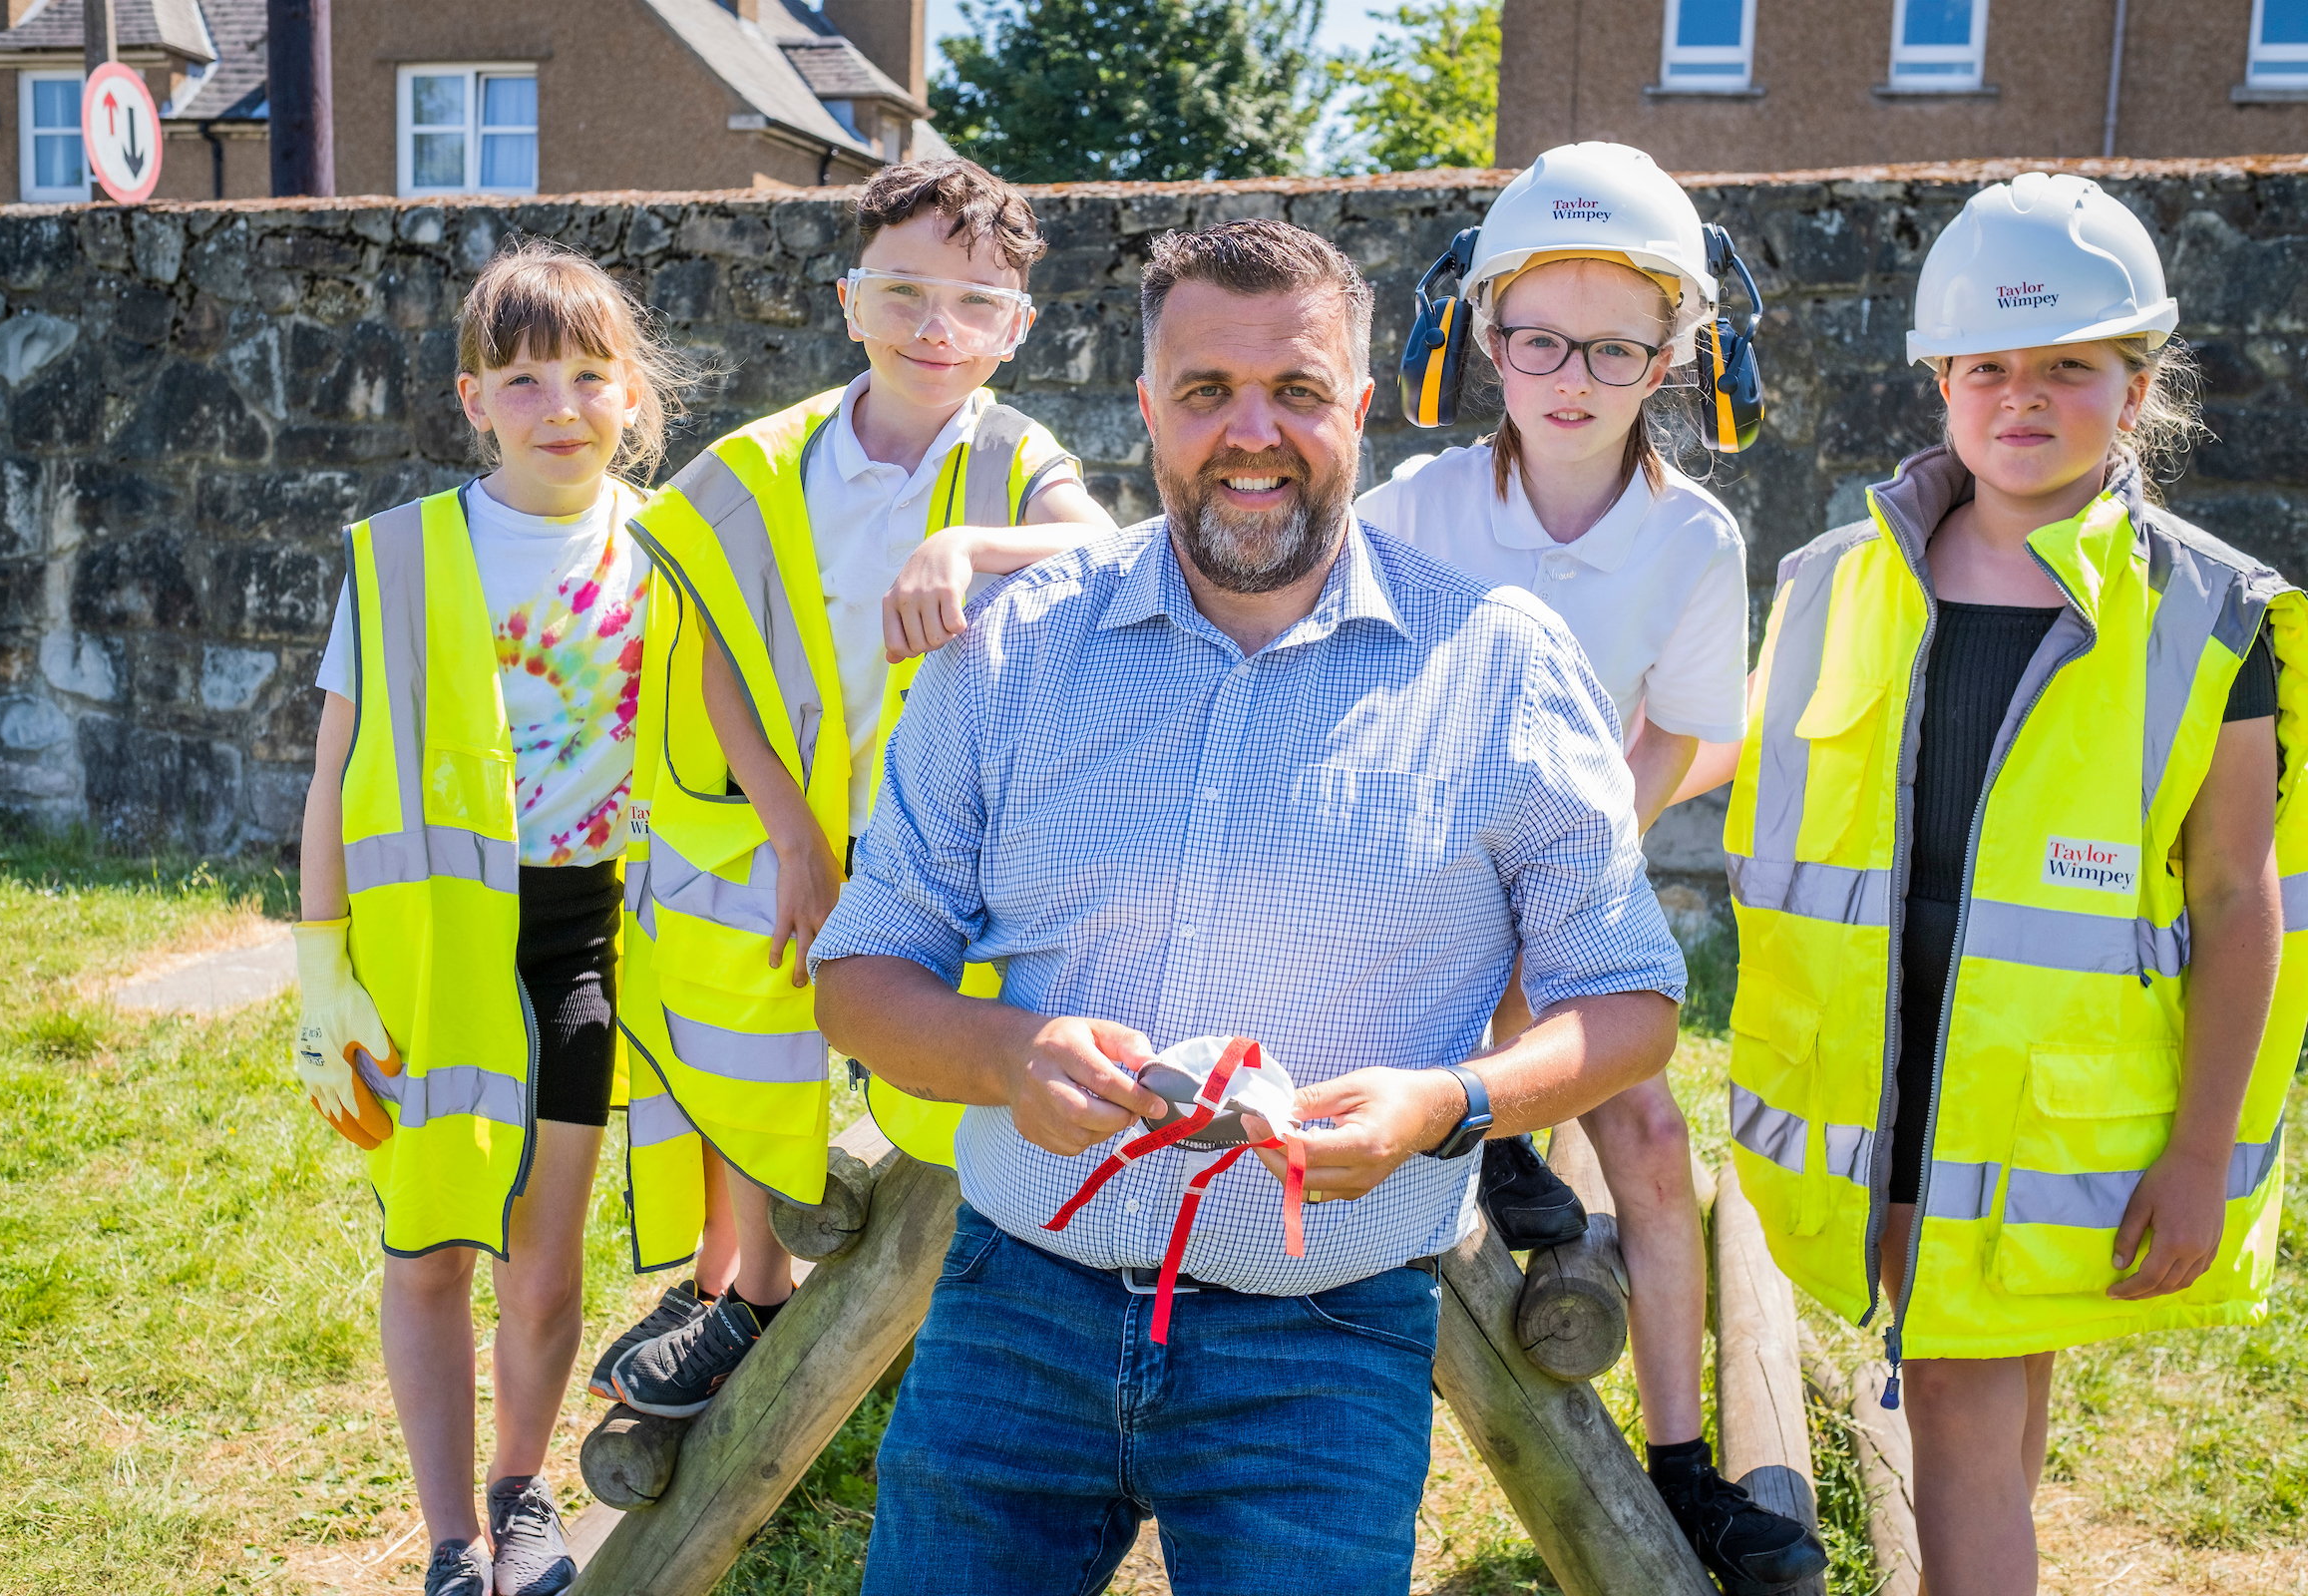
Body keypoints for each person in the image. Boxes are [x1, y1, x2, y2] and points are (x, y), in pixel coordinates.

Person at [810, 217, 1689, 1595]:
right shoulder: (1021, 649)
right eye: (1207, 392)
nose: (1251, 432)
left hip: (1322, 1346)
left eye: (1295, 390)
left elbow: (1631, 1002)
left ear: (1363, 407)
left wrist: (1447, 1105)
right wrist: (1004, 1056)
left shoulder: (1503, 667)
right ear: (1148, 408)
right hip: (1017, 1315)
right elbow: (862, 972)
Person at [1722, 172, 2308, 1596]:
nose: (2023, 397)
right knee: (1989, 1419)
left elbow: (2239, 901)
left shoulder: (2212, 614)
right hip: (1882, 1084)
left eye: (2069, 366)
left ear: (2140, 382)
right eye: (1988, 364)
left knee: (1967, 1441)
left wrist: (2194, 1155)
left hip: (2032, 1110)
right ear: (1938, 378)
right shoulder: (1833, 580)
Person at [1354, 143, 1821, 1593]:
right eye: (1538, 339)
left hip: (1581, 844)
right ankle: (1482, 1144)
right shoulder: (1416, 509)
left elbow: (1688, 725)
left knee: (1653, 1142)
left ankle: (1684, 1470)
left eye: (1617, 348)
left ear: (1681, 354)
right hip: (1409, 862)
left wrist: (1586, 846)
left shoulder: (1691, 537)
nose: (1571, 375)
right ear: (1479, 338)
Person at [586, 157, 1120, 1419]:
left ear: (1019, 328)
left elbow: (1111, 546)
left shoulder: (1013, 456)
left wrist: (971, 544)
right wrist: (790, 833)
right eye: (904, 293)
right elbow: (706, 643)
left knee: (960, 1034)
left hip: (946, 832)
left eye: (977, 304)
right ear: (849, 302)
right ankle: (752, 1291)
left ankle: (968, 1286)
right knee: (724, 971)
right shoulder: (766, 461)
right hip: (784, 817)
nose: (938, 328)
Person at [291, 239, 686, 1596]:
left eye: (588, 374)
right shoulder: (399, 557)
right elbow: (335, 771)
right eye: (523, 380)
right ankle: (450, 1535)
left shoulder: (672, 552)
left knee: (543, 1251)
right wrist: (317, 970)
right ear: (474, 401)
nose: (559, 406)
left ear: (632, 391)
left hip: (577, 937)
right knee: (430, 1244)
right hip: (424, 952)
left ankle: (523, 1497)